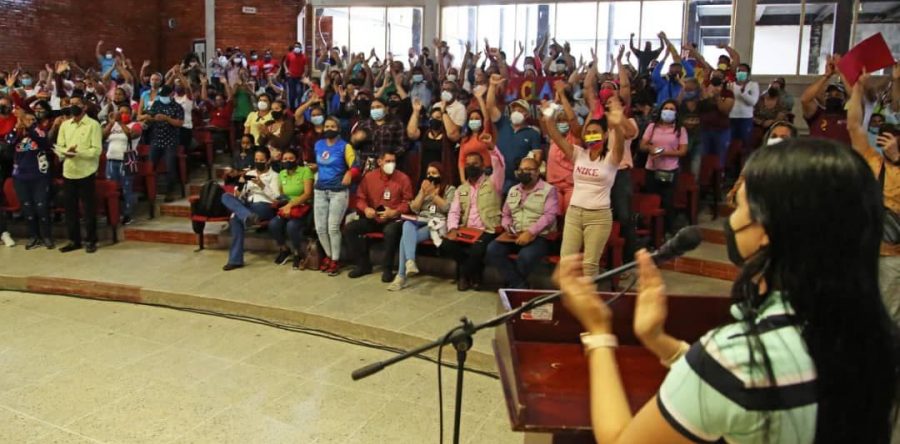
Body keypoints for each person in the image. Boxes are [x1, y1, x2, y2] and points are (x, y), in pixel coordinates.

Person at [556, 137, 899, 444]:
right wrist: (663, 343)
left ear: (767, 229)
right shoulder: (869, 335)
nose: (731, 218)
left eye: (741, 205)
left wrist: (599, 331)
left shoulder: (742, 356)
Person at [542, 97, 628, 279]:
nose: (590, 135)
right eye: (588, 132)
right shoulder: (578, 154)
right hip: (574, 214)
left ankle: (586, 305)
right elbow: (555, 136)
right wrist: (549, 116)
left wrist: (617, 123)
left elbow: (620, 142)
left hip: (598, 216)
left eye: (595, 132)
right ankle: (567, 303)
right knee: (566, 263)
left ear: (605, 135)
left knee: (590, 266)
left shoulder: (612, 158)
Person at [847, 73, 900, 324]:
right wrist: (858, 87)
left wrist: (896, 159)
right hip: (863, 247)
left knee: (888, 315)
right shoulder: (872, 159)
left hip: (893, 256)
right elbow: (854, 125)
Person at [486, 157, 558, 289]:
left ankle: (513, 286)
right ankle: (519, 285)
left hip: (540, 236)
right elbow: (506, 214)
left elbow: (549, 216)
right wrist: (508, 226)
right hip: (515, 235)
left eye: (528, 170)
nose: (523, 172)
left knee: (525, 257)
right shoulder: (513, 190)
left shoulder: (549, 190)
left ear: (537, 172)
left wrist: (530, 232)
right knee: (493, 249)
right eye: (521, 169)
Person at [442, 149, 505, 291]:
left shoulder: (494, 182)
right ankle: (474, 275)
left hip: (487, 229)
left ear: (483, 166)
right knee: (446, 243)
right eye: (468, 164)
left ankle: (464, 276)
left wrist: (492, 149)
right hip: (466, 229)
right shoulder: (461, 189)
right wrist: (452, 229)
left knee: (477, 249)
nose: (471, 167)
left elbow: (500, 166)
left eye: (475, 164)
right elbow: (454, 211)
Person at [388, 162, 456, 291]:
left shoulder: (449, 188)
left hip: (437, 223)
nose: (431, 176)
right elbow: (414, 208)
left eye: (434, 173)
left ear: (441, 174)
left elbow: (448, 208)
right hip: (421, 219)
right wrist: (422, 193)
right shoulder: (424, 188)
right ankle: (409, 263)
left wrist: (433, 195)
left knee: (405, 239)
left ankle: (401, 275)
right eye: (429, 174)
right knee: (407, 224)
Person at [345, 151, 413, 281]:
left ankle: (387, 269)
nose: (391, 164)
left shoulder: (403, 178)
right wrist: (366, 209)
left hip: (394, 219)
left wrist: (394, 212)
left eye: (393, 161)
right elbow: (360, 198)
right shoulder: (369, 177)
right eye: (388, 161)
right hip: (374, 217)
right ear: (379, 162)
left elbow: (408, 203)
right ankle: (363, 265)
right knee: (350, 229)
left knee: (390, 231)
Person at [53, 95, 102, 253]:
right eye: (70, 104)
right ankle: (74, 240)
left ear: (84, 107)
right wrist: (64, 153)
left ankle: (91, 240)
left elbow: (96, 150)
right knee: (70, 209)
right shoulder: (65, 125)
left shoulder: (93, 125)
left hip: (86, 172)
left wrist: (77, 153)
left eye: (76, 104)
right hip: (69, 171)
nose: (73, 106)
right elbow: (59, 146)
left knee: (88, 209)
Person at [221, 148, 280, 271]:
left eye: (261, 160)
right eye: (256, 160)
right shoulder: (250, 173)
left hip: (264, 205)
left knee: (236, 219)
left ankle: (235, 259)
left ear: (268, 160)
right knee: (225, 196)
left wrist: (262, 185)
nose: (258, 162)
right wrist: (242, 185)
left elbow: (276, 197)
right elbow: (239, 196)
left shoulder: (274, 176)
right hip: (248, 204)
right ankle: (236, 260)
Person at [314, 116, 359, 276]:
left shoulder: (345, 146)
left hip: (338, 191)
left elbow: (355, 166)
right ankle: (328, 255)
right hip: (320, 190)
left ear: (338, 128)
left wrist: (349, 173)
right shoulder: (318, 145)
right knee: (320, 228)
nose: (329, 129)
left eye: (333, 126)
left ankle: (336, 260)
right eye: (327, 126)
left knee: (333, 227)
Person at [486, 75, 542, 193]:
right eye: (514, 110)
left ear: (527, 115)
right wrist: (491, 85)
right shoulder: (503, 123)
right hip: (498, 177)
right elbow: (490, 107)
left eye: (521, 110)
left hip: (520, 181)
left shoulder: (533, 133)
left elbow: (537, 158)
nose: (517, 112)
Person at [640, 99, 688, 235]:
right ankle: (652, 232)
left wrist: (661, 152)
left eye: (672, 109)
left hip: (669, 170)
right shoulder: (652, 127)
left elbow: (683, 151)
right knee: (652, 200)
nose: (668, 111)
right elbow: (642, 145)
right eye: (666, 108)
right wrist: (651, 149)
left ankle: (668, 230)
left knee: (667, 201)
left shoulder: (680, 130)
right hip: (652, 168)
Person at [8, 109, 54, 249]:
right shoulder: (15, 133)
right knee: (27, 208)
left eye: (30, 120)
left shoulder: (39, 132)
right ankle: (34, 236)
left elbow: (44, 143)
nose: (27, 122)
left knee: (41, 207)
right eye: (25, 120)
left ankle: (46, 236)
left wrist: (29, 128)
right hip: (20, 177)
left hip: (39, 176)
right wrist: (17, 129)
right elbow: (9, 146)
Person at [269, 149, 314, 270]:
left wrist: (291, 205)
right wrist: (282, 203)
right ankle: (284, 249)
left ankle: (298, 253)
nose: (287, 161)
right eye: (285, 159)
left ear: (296, 159)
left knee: (292, 226)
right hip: (287, 207)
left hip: (303, 208)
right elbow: (283, 193)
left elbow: (307, 194)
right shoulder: (282, 173)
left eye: (291, 158)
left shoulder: (305, 171)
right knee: (274, 224)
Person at [139, 85, 184, 202]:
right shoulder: (156, 104)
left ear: (171, 94)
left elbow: (179, 123)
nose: (163, 97)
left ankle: (170, 192)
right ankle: (147, 191)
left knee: (170, 167)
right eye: (162, 96)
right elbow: (149, 116)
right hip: (156, 140)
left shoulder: (177, 107)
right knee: (150, 166)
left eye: (165, 95)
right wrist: (150, 119)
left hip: (170, 141)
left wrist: (166, 118)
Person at [800, 55, 850, 145]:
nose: (833, 96)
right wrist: (827, 75)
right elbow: (805, 99)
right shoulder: (817, 115)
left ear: (845, 99)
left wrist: (841, 73)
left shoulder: (850, 116)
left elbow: (856, 98)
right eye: (829, 94)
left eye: (838, 94)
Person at [103, 104, 138, 225]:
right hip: (111, 160)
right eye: (120, 112)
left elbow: (131, 135)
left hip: (126, 161)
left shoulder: (135, 125)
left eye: (125, 112)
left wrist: (121, 123)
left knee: (126, 189)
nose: (122, 114)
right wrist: (112, 123)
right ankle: (113, 214)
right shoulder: (114, 125)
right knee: (111, 188)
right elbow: (102, 136)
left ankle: (127, 214)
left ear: (130, 113)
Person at [699, 70, 735, 169]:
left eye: (718, 76)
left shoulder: (728, 93)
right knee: (704, 158)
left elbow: (725, 110)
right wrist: (706, 94)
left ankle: (719, 180)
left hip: (721, 130)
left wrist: (717, 96)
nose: (715, 77)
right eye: (713, 75)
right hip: (704, 130)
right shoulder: (704, 90)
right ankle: (704, 181)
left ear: (723, 79)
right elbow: (700, 108)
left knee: (720, 158)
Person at [728, 63, 759, 157]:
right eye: (739, 71)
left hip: (746, 118)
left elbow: (753, 102)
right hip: (731, 118)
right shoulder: (730, 85)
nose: (740, 73)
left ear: (748, 73)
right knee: (730, 144)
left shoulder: (753, 85)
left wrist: (743, 92)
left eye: (743, 71)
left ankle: (744, 166)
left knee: (745, 145)